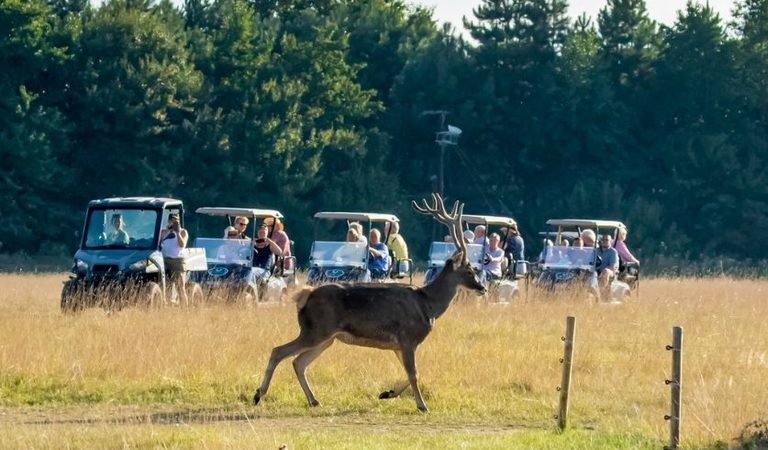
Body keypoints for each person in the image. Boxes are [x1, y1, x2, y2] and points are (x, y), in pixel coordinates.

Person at [160, 213, 189, 306]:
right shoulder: (164, 232)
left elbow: (182, 245)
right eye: (171, 221)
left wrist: (177, 232)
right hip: (165, 260)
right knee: (166, 285)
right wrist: (168, 231)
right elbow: (159, 242)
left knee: (180, 287)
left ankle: (184, 308)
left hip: (177, 261)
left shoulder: (183, 232)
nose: (172, 223)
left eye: (175, 221)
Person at [596, 234, 619, 299]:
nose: (604, 241)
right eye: (603, 240)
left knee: (605, 271)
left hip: (610, 272)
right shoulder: (596, 251)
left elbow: (612, 266)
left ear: (610, 241)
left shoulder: (613, 252)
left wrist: (602, 272)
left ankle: (601, 292)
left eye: (606, 240)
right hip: (597, 271)